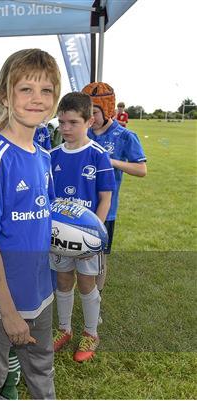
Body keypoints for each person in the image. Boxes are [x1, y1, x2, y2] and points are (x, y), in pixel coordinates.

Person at [0, 48, 61, 400]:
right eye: (26, 89)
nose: (37, 99)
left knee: (41, 370)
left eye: (46, 90)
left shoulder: (42, 155)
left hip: (39, 293)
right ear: (5, 96)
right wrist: (8, 313)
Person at [49, 92, 115, 362]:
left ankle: (91, 333)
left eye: (72, 123)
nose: (65, 128)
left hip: (87, 236)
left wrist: (93, 236)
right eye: (61, 122)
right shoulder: (52, 156)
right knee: (63, 280)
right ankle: (64, 329)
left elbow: (105, 198)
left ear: (89, 121)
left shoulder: (99, 155)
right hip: (60, 234)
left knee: (87, 283)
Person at [82, 82, 147, 308]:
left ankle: (95, 300)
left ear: (107, 110)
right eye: (86, 113)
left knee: (99, 257)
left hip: (106, 209)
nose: (90, 118)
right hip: (79, 207)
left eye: (94, 113)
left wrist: (110, 162)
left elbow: (141, 169)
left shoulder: (124, 136)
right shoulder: (83, 132)